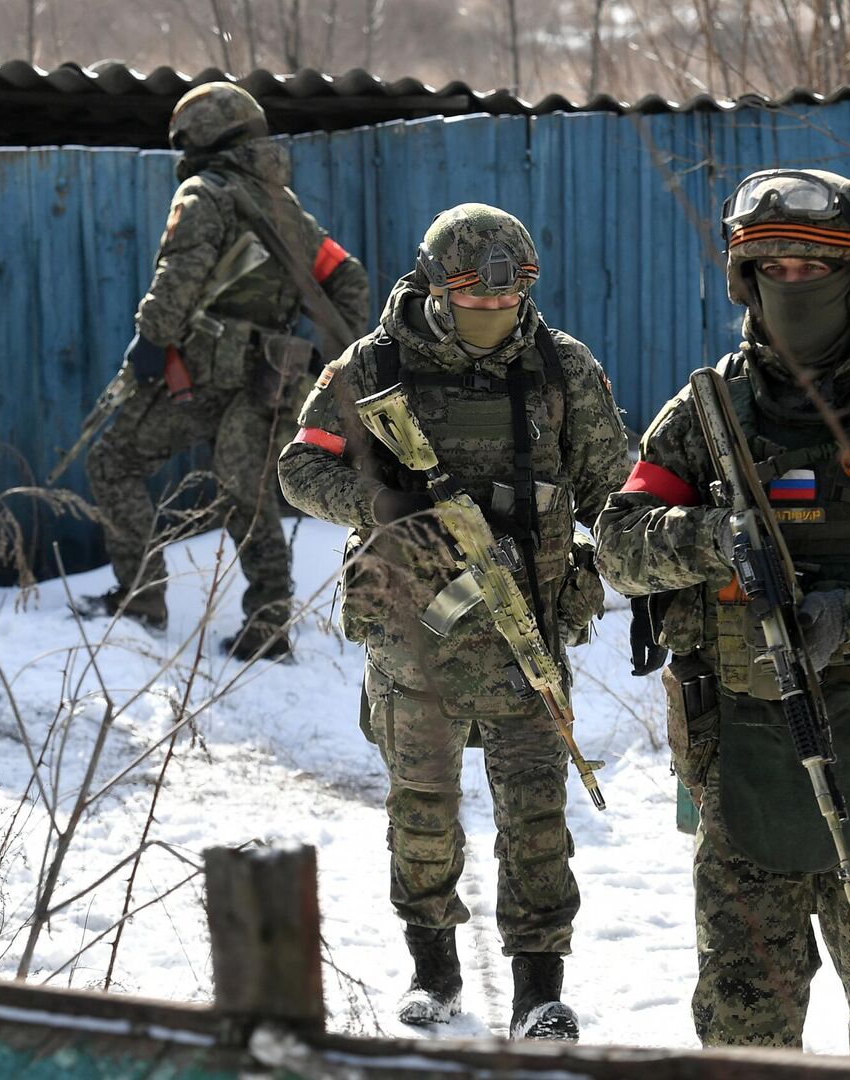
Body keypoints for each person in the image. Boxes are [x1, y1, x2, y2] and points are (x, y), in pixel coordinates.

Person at [592, 169, 850, 1052]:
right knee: (744, 1014)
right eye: (770, 267)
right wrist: (715, 538)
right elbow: (618, 543)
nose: (791, 285)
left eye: (811, 266)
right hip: (745, 750)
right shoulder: (708, 414)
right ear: (744, 282)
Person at [279, 204, 629, 1040]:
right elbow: (299, 468)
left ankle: (538, 990)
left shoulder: (562, 368)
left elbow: (617, 495)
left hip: (525, 635)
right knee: (423, 811)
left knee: (537, 820)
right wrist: (384, 502)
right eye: (474, 304)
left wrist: (618, 575)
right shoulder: (373, 368)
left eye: (506, 304)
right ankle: (434, 969)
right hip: (414, 638)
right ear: (437, 290)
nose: (493, 318)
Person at [75, 81, 370, 661]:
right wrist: (326, 361)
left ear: (197, 135)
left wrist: (150, 343)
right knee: (249, 495)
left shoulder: (201, 193)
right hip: (266, 383)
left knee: (112, 462)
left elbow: (177, 280)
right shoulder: (286, 208)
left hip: (202, 378)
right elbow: (350, 279)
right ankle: (269, 627)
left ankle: (141, 601)